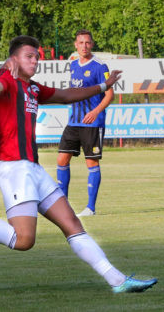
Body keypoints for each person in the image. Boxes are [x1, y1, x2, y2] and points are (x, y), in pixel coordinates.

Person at [0, 35, 157, 293]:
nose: (36, 60)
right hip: (14, 168)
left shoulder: (33, 88)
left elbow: (65, 95)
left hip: (34, 170)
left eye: (37, 56)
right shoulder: (6, 81)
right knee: (24, 240)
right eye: (29, 56)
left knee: (73, 225)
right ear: (14, 59)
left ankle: (118, 281)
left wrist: (102, 86)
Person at [57, 29, 114, 216]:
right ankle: (62, 205)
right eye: (81, 43)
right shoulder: (72, 64)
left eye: (87, 42)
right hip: (74, 121)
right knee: (61, 159)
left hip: (92, 123)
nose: (84, 46)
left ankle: (90, 208)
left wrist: (95, 111)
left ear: (92, 44)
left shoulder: (100, 66)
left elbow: (110, 95)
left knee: (91, 163)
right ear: (75, 44)